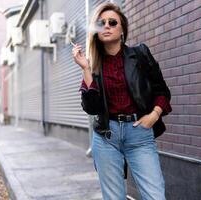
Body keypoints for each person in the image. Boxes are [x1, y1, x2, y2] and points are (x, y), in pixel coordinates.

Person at [72, 2, 171, 200]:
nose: (106, 26)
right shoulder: (93, 65)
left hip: (139, 134)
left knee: (155, 196)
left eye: (112, 22)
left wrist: (154, 115)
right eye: (101, 23)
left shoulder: (140, 54)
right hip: (106, 138)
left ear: (122, 29)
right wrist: (85, 68)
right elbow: (92, 108)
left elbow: (162, 91)